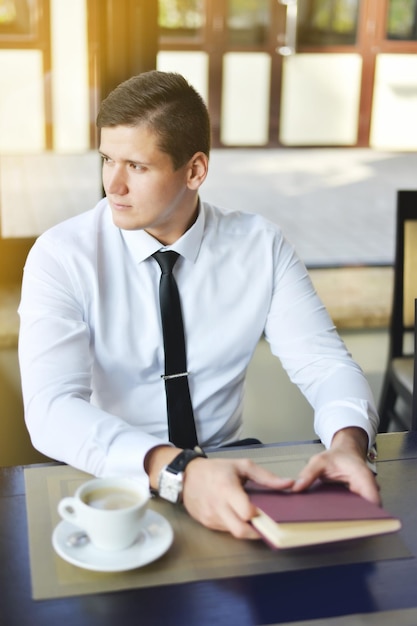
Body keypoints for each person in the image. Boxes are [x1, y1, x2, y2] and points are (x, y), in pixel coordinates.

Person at [18, 71, 380, 540]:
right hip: (116, 480)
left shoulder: (259, 245)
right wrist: (179, 472)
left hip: (229, 470)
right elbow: (51, 409)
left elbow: (324, 363)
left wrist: (348, 443)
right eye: (107, 159)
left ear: (194, 171)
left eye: (137, 166)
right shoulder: (61, 255)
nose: (114, 185)